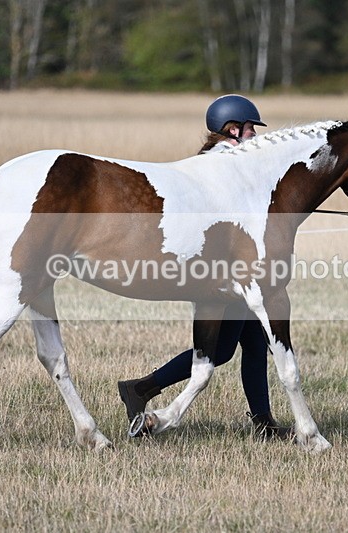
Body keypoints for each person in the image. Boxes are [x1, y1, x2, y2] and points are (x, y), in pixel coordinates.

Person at [118, 95, 292, 441]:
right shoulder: (225, 161)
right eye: (250, 129)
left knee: (255, 344)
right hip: (223, 271)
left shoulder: (227, 158)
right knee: (223, 350)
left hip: (233, 266)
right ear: (232, 129)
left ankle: (264, 423)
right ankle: (140, 388)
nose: (254, 136)